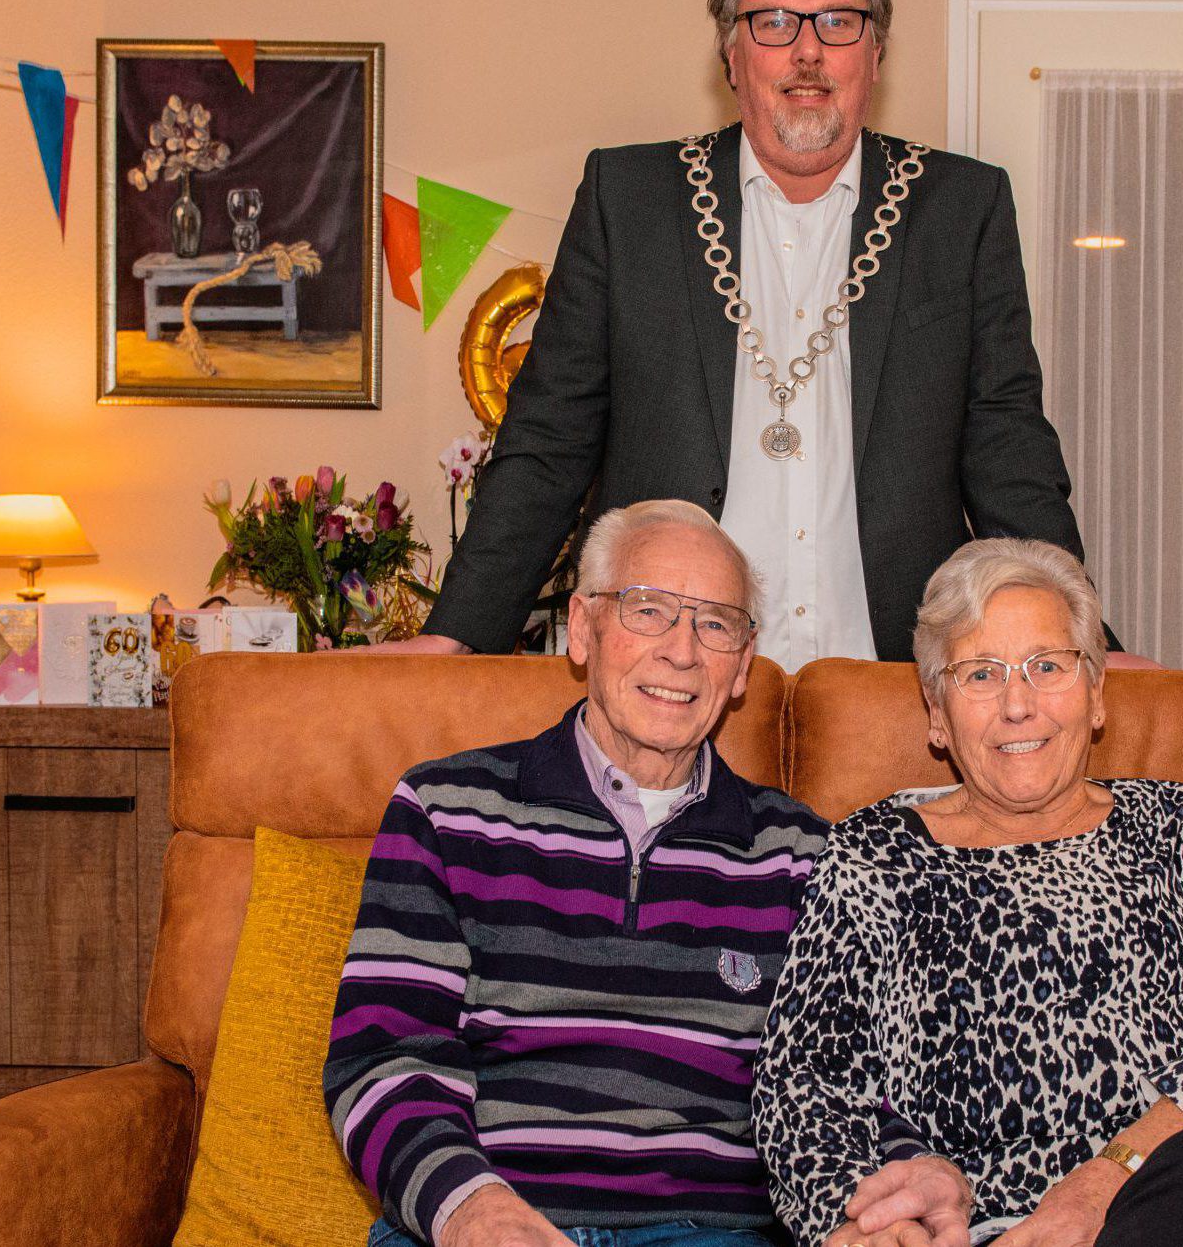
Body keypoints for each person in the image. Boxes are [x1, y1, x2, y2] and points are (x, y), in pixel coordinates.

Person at [407, 0, 1095, 672]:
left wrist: (1083, 637)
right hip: (670, 684)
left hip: (893, 683)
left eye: (838, 21)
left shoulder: (960, 209)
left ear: (876, 53)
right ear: (731, 55)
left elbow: (1007, 446)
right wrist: (457, 634)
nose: (808, 50)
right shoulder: (628, 200)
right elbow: (548, 442)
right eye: (773, 22)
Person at [750, 538, 1183, 1247]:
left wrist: (1107, 1178)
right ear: (937, 713)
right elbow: (804, 1083)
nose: (1018, 704)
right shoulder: (874, 856)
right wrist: (862, 1221)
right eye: (980, 673)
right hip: (992, 1229)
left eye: (1047, 666)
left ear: (1096, 694)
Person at [327, 499, 830, 1247]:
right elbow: (383, 1055)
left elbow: (840, 1083)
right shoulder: (446, 809)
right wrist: (472, 1211)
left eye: (715, 624)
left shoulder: (803, 854)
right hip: (486, 1218)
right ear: (583, 628)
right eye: (648, 609)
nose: (683, 652)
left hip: (702, 1232)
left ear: (742, 666)